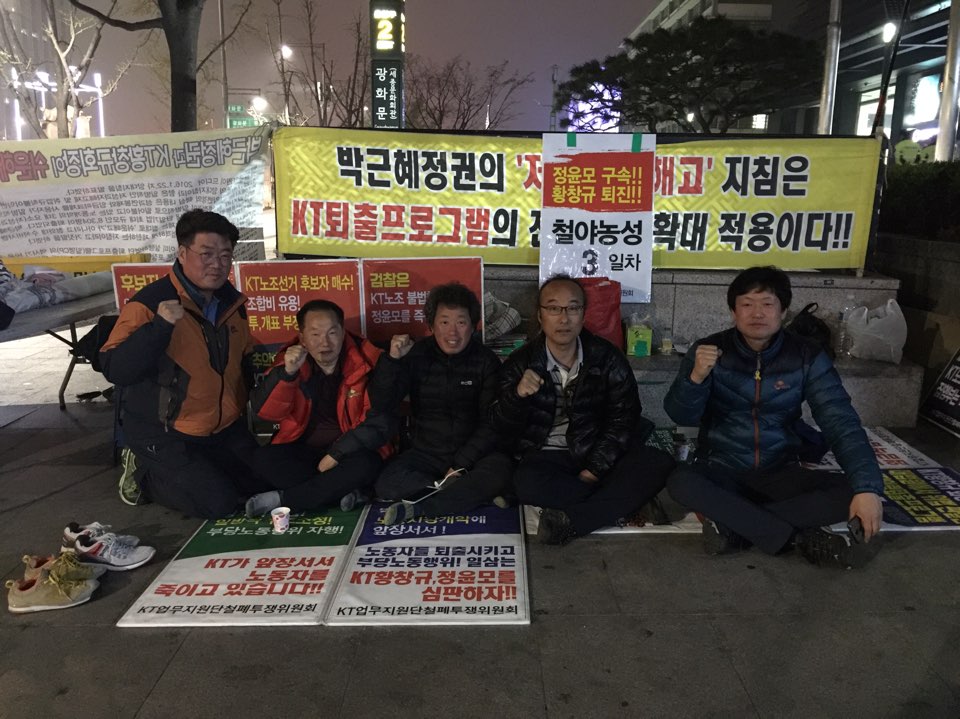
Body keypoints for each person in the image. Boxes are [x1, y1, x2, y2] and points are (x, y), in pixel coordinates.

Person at [663, 266, 884, 568]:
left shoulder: (806, 356)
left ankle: (737, 527)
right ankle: (797, 538)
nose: (757, 313)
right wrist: (696, 378)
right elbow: (680, 415)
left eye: (767, 304)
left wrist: (867, 488)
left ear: (783, 311)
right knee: (681, 482)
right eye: (747, 304)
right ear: (733, 312)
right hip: (721, 470)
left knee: (853, 491)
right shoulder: (708, 350)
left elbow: (841, 422)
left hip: (781, 472)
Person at [101, 209, 267, 518]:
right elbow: (116, 369)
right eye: (206, 254)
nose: (217, 264)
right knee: (217, 503)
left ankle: (205, 469)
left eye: (225, 255)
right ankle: (143, 473)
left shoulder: (232, 303)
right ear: (181, 253)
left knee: (261, 483)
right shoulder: (150, 304)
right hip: (165, 431)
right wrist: (159, 328)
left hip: (222, 428)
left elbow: (243, 360)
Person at [491, 275, 675, 545]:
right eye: (554, 308)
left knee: (658, 463)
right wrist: (517, 396)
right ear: (540, 315)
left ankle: (572, 521)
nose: (563, 318)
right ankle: (623, 501)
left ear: (584, 314)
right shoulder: (520, 363)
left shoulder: (607, 358)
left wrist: (593, 471)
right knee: (527, 482)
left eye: (573, 308)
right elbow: (499, 426)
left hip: (597, 451)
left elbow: (623, 421)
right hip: (546, 456)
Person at [373, 282, 512, 525]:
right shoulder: (416, 355)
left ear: (473, 326)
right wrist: (393, 361)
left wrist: (460, 465)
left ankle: (422, 507)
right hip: (427, 453)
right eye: (444, 322)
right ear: (431, 325)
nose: (452, 333)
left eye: (461, 322)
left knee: (501, 469)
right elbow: (382, 403)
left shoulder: (486, 361)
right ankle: (467, 493)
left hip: (473, 456)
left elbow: (491, 424)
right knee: (387, 483)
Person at [244, 299, 393, 517]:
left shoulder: (368, 361)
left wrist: (337, 453)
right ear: (302, 338)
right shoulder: (289, 361)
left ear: (343, 332)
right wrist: (287, 375)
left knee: (367, 464)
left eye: (332, 333)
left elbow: (379, 421)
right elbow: (266, 412)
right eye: (315, 334)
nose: (325, 343)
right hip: (304, 451)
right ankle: (341, 490)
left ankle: (286, 499)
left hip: (350, 451)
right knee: (263, 460)